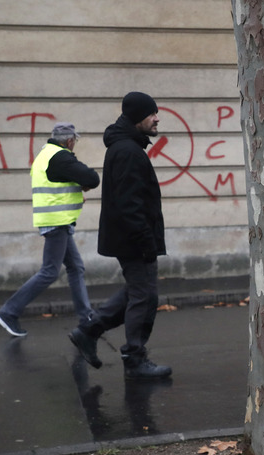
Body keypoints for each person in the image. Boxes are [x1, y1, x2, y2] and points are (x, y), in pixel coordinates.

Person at [68, 92, 172, 379]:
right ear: (139, 118)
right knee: (145, 296)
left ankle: (89, 330)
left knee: (138, 292)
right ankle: (134, 359)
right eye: (152, 114)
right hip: (134, 240)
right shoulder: (127, 151)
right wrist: (146, 242)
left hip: (130, 238)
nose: (157, 118)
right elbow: (130, 205)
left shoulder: (126, 147)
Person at [0, 122, 100, 337]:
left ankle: (86, 315)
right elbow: (92, 178)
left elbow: (61, 181)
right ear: (70, 141)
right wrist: (83, 184)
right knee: (50, 271)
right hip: (57, 221)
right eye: (74, 142)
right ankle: (9, 312)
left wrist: (78, 186)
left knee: (75, 267)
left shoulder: (45, 154)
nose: (74, 145)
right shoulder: (61, 156)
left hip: (56, 219)